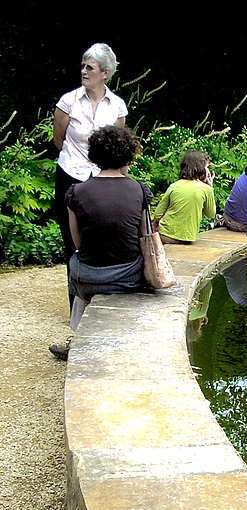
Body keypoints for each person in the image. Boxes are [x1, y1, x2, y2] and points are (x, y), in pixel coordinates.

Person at [48, 125, 152, 359]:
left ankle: (77, 339)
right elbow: (145, 236)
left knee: (78, 259)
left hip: (89, 280)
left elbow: (77, 243)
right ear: (128, 155)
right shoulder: (138, 189)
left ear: (94, 155)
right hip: (128, 278)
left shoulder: (77, 191)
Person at [53, 43, 128, 307]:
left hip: (103, 180)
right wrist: (78, 162)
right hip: (70, 175)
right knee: (71, 242)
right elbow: (58, 139)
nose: (84, 71)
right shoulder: (68, 102)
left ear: (105, 73)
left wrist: (123, 181)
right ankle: (76, 301)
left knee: (102, 239)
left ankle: (100, 301)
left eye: (90, 67)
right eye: (83, 66)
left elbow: (120, 146)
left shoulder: (117, 106)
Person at [152, 150, 216, 243]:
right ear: (201, 169)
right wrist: (210, 187)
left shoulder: (174, 186)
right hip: (187, 238)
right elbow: (211, 214)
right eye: (207, 167)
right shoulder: (206, 189)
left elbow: (157, 214)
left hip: (165, 235)